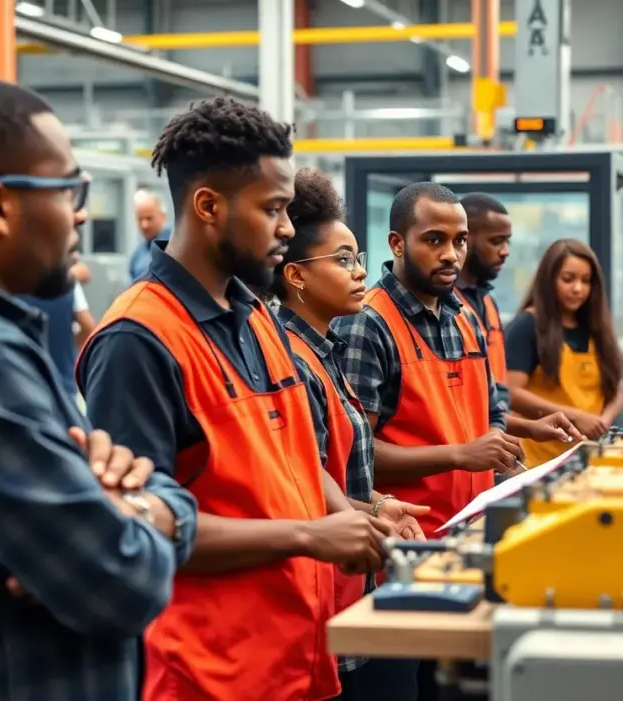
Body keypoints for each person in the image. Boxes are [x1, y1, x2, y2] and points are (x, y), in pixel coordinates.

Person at [76, 97, 396, 701]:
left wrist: (356, 512)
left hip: (295, 658)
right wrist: (308, 536)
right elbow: (137, 532)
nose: (285, 228)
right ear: (208, 206)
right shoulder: (137, 340)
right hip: (206, 675)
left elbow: (294, 460)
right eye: (273, 209)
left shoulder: (257, 316)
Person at [0, 75, 196, 701]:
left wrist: (124, 507)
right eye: (70, 189)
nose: (81, 213)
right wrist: (148, 504)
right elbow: (120, 581)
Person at [335, 181, 525, 701]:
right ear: (397, 244)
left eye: (460, 240)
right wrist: (462, 455)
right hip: (404, 555)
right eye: (434, 240)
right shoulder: (366, 325)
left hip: (469, 551)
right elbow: (357, 458)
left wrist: (503, 450)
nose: (451, 254)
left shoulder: (463, 316)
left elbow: (490, 412)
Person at [272, 167, 430, 700]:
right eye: (343, 260)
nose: (360, 271)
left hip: (360, 582)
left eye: (358, 258)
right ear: (295, 275)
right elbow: (301, 485)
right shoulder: (292, 362)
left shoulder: (328, 351)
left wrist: (378, 503)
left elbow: (335, 471)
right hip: (326, 599)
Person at [456, 192, 583, 450]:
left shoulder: (488, 305)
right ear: (464, 241)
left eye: (507, 241)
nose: (505, 252)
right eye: (496, 241)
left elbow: (495, 397)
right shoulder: (450, 308)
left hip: (493, 451)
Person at [505, 238, 623, 466]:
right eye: (568, 279)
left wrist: (601, 423)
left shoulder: (596, 328)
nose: (578, 288)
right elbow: (511, 392)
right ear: (549, 280)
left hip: (589, 455)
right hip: (538, 463)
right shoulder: (528, 326)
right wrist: (575, 417)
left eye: (586, 281)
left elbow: (615, 388)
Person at [20, 253, 96, 400]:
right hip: (63, 384)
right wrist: (71, 346)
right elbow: (88, 326)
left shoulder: (10, 284)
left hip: (24, 384)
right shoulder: (67, 283)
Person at [129, 188, 171, 280]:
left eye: (149, 218)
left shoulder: (175, 247)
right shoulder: (137, 255)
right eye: (140, 219)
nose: (144, 225)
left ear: (163, 216)